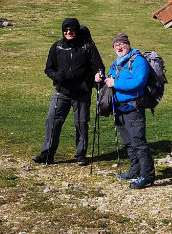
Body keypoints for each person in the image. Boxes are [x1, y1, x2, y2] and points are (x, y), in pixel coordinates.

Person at [33, 18, 104, 165]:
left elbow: (99, 66)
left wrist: (98, 75)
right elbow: (48, 69)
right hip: (62, 92)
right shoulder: (57, 47)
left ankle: (81, 155)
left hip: (82, 93)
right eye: (66, 30)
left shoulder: (88, 46)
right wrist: (57, 76)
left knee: (81, 123)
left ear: (76, 30)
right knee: (52, 121)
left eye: (71, 30)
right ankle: (47, 155)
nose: (68, 32)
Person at [96, 33, 154, 189]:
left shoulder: (138, 60)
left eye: (122, 44)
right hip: (119, 109)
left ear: (128, 45)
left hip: (133, 107)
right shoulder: (116, 63)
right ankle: (135, 170)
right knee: (128, 143)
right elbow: (110, 83)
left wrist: (115, 82)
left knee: (139, 143)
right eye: (116, 45)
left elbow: (139, 82)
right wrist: (101, 80)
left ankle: (147, 175)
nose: (119, 47)